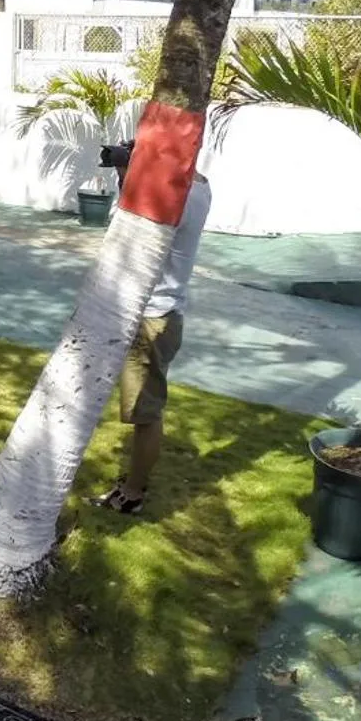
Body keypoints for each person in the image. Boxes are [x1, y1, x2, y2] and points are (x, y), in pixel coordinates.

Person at [93, 172, 211, 515]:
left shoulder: (174, 191)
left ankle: (132, 494)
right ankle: (131, 486)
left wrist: (130, 174)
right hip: (160, 313)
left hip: (152, 317)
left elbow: (130, 232)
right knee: (144, 408)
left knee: (146, 411)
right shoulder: (201, 187)